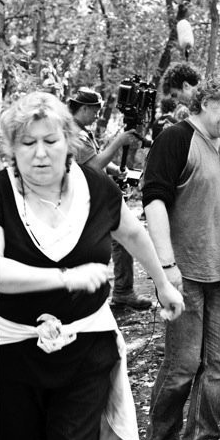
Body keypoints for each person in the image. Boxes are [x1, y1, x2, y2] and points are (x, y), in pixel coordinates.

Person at [0, 91, 184, 440]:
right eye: (28, 143)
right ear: (12, 149)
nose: (40, 153)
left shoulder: (96, 187)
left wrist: (163, 282)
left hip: (86, 347)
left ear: (68, 141)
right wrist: (65, 277)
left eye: (50, 141)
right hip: (10, 353)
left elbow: (131, 232)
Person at [142, 69, 220, 440]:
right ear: (205, 103)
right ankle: (162, 438)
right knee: (184, 365)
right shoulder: (176, 139)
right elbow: (154, 201)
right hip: (185, 272)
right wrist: (165, 267)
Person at [68, 87, 152, 311]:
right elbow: (94, 166)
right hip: (86, 199)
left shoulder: (82, 130)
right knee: (99, 247)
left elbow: (94, 159)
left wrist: (116, 170)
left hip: (96, 195)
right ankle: (90, 297)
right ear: (83, 108)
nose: (97, 115)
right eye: (95, 111)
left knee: (120, 242)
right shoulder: (74, 134)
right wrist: (118, 142)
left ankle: (122, 291)